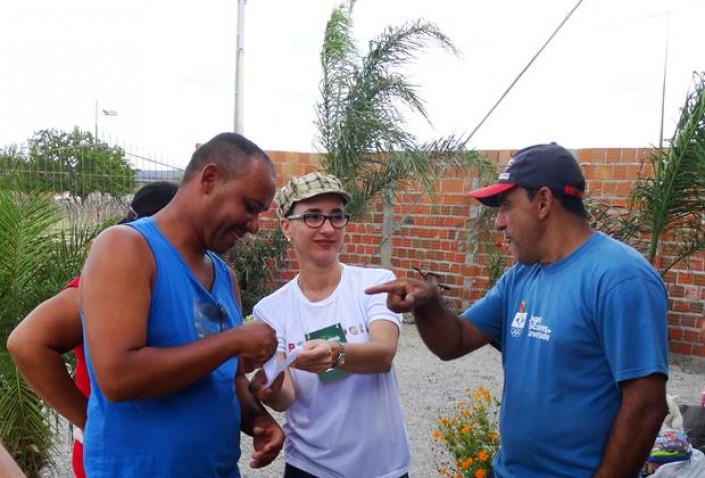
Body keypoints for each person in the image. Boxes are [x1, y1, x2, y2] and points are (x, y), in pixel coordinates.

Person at [366, 143, 669, 478]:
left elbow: (646, 406)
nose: (498, 222)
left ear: (542, 202)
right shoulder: (522, 276)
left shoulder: (620, 277)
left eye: (506, 206)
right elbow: (455, 342)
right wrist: (428, 303)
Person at [78, 132, 282, 477]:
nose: (254, 226)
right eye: (250, 207)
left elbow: (229, 379)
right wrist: (234, 340)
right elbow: (117, 377)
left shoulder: (223, 276)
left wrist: (258, 418)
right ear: (210, 178)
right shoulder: (126, 248)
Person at [7, 181, 178, 478]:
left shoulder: (166, 285)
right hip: (115, 456)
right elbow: (26, 342)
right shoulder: (101, 287)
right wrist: (88, 418)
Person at [250, 172, 411, 478]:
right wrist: (270, 391)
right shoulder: (271, 310)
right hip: (310, 468)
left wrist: (335, 353)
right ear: (286, 226)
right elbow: (287, 395)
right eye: (312, 217)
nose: (327, 228)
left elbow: (383, 354)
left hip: (383, 468)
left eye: (336, 217)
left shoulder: (375, 284)